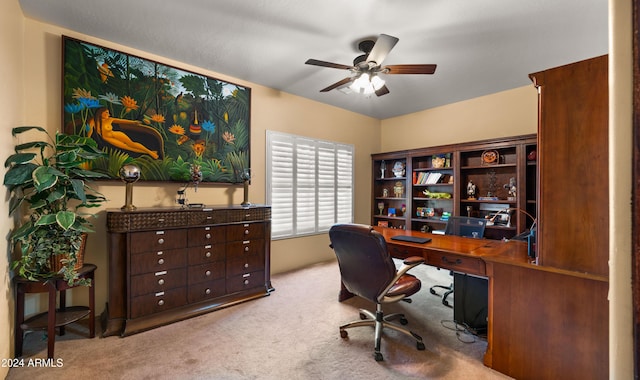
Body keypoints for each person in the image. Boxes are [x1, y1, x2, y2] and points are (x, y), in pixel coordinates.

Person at [89, 107, 159, 159]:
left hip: (115, 133)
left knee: (131, 143)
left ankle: (150, 152)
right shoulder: (93, 121)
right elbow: (90, 130)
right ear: (101, 112)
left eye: (108, 112)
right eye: (106, 112)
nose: (108, 114)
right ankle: (151, 152)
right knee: (127, 147)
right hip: (107, 138)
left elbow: (122, 121)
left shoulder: (110, 119)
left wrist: (134, 122)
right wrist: (87, 138)